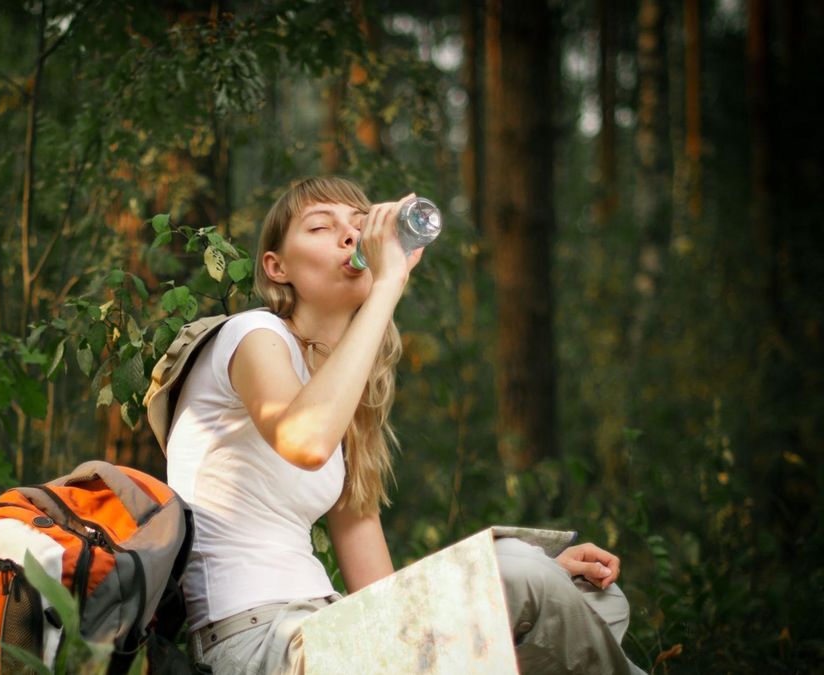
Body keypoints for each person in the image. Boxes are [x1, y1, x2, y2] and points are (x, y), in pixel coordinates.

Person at [164, 176, 645, 674]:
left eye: (358, 225)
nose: (350, 238)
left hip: (332, 624)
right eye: (321, 227)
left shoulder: (344, 391)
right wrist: (388, 285)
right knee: (522, 569)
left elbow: (380, 594)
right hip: (259, 645)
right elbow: (303, 440)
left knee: (594, 600)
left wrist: (538, 587)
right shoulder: (251, 335)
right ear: (276, 267)